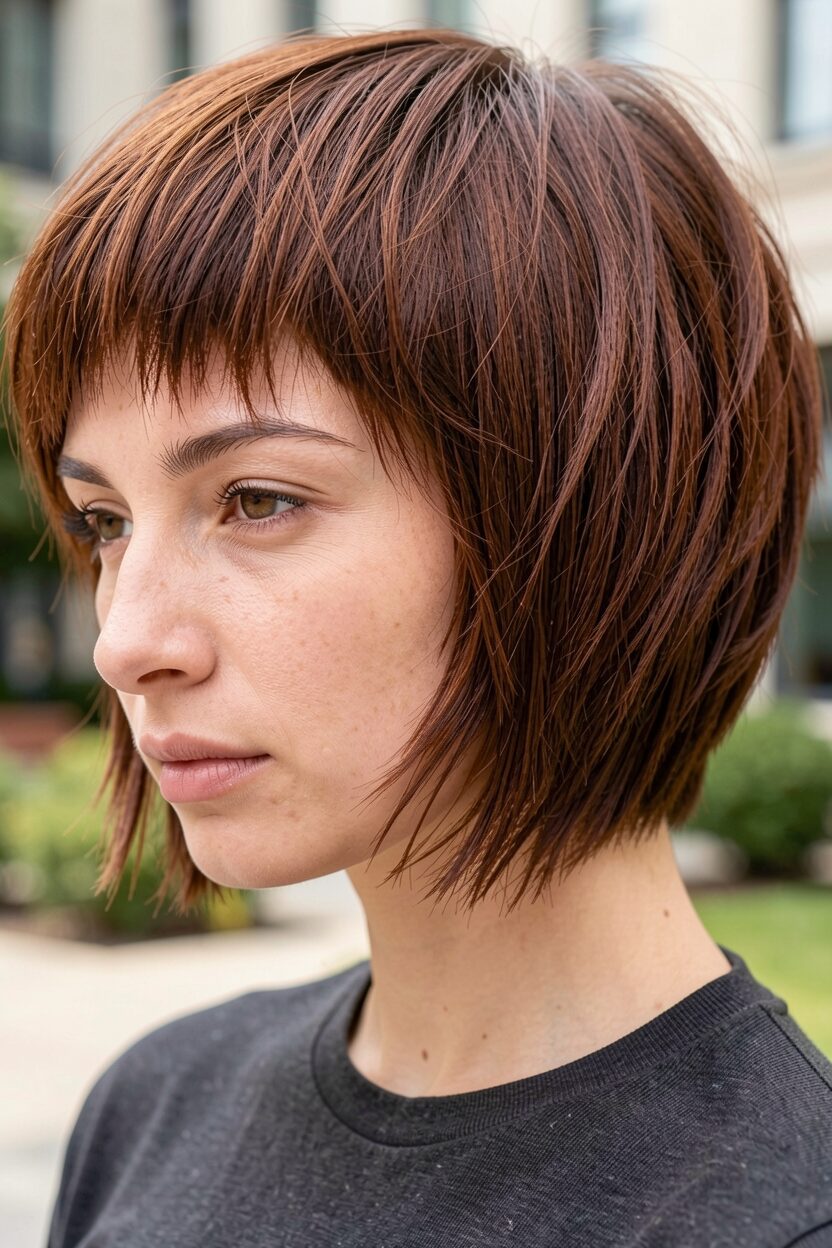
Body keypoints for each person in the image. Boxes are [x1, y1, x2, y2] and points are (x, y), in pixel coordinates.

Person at [5, 26, 832, 1248]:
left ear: (587, 518)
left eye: (258, 501)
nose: (125, 642)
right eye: (106, 519)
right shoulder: (156, 1102)